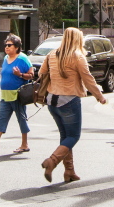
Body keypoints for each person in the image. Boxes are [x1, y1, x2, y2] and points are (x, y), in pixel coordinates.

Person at [37, 27, 106, 182]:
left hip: (52, 101)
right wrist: (99, 96)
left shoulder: (51, 54)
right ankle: (52, 161)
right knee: (74, 136)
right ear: (77, 39)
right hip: (69, 100)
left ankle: (69, 171)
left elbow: (41, 74)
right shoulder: (77, 56)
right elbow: (88, 79)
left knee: (65, 136)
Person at [0, 34, 33, 155]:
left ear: (17, 47)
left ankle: (24, 144)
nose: (6, 47)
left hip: (17, 95)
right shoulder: (6, 58)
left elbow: (31, 75)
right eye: (6, 45)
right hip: (5, 95)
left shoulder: (23, 59)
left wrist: (20, 75)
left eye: (9, 45)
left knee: (21, 118)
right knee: (1, 118)